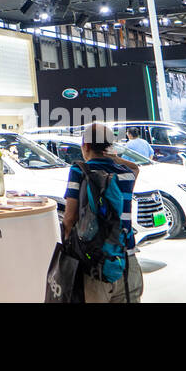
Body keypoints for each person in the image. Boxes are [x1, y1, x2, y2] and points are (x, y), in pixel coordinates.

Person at [62, 122, 142, 303]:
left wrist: (68, 248)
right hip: (127, 261)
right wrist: (113, 158)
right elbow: (136, 168)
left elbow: (69, 218)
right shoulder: (126, 174)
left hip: (94, 265)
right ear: (109, 146)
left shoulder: (79, 170)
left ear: (86, 146)